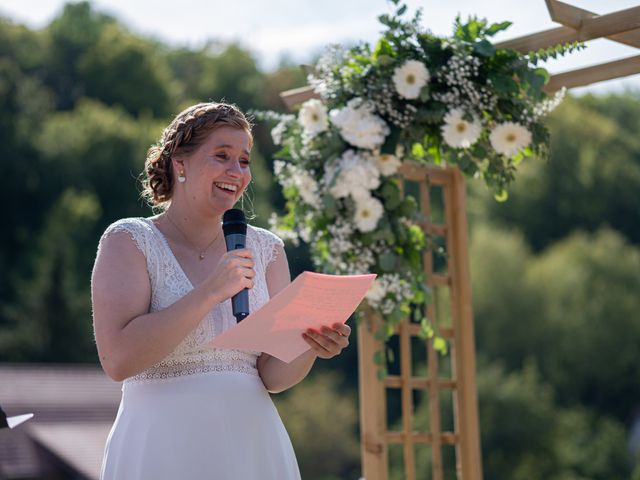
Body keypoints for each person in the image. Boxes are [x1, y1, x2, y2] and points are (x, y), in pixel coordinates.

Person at [92, 102, 351, 479]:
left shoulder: (267, 251)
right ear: (180, 163)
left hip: (251, 449)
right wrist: (211, 291)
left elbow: (272, 376)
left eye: (244, 161)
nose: (236, 171)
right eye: (222, 156)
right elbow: (118, 360)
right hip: (160, 446)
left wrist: (310, 346)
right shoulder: (129, 241)